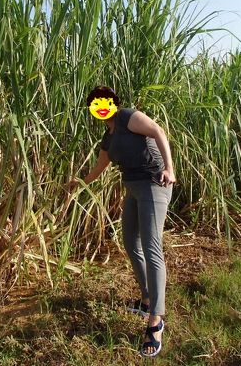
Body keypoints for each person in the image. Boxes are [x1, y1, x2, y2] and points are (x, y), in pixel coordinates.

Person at [68, 85, 176, 358]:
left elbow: (158, 132)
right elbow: (99, 168)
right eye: (95, 104)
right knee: (130, 242)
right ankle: (146, 298)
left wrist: (169, 168)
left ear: (114, 103)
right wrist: (79, 183)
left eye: (104, 101)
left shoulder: (129, 117)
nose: (100, 106)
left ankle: (156, 320)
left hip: (154, 183)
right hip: (133, 188)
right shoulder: (108, 137)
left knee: (152, 248)